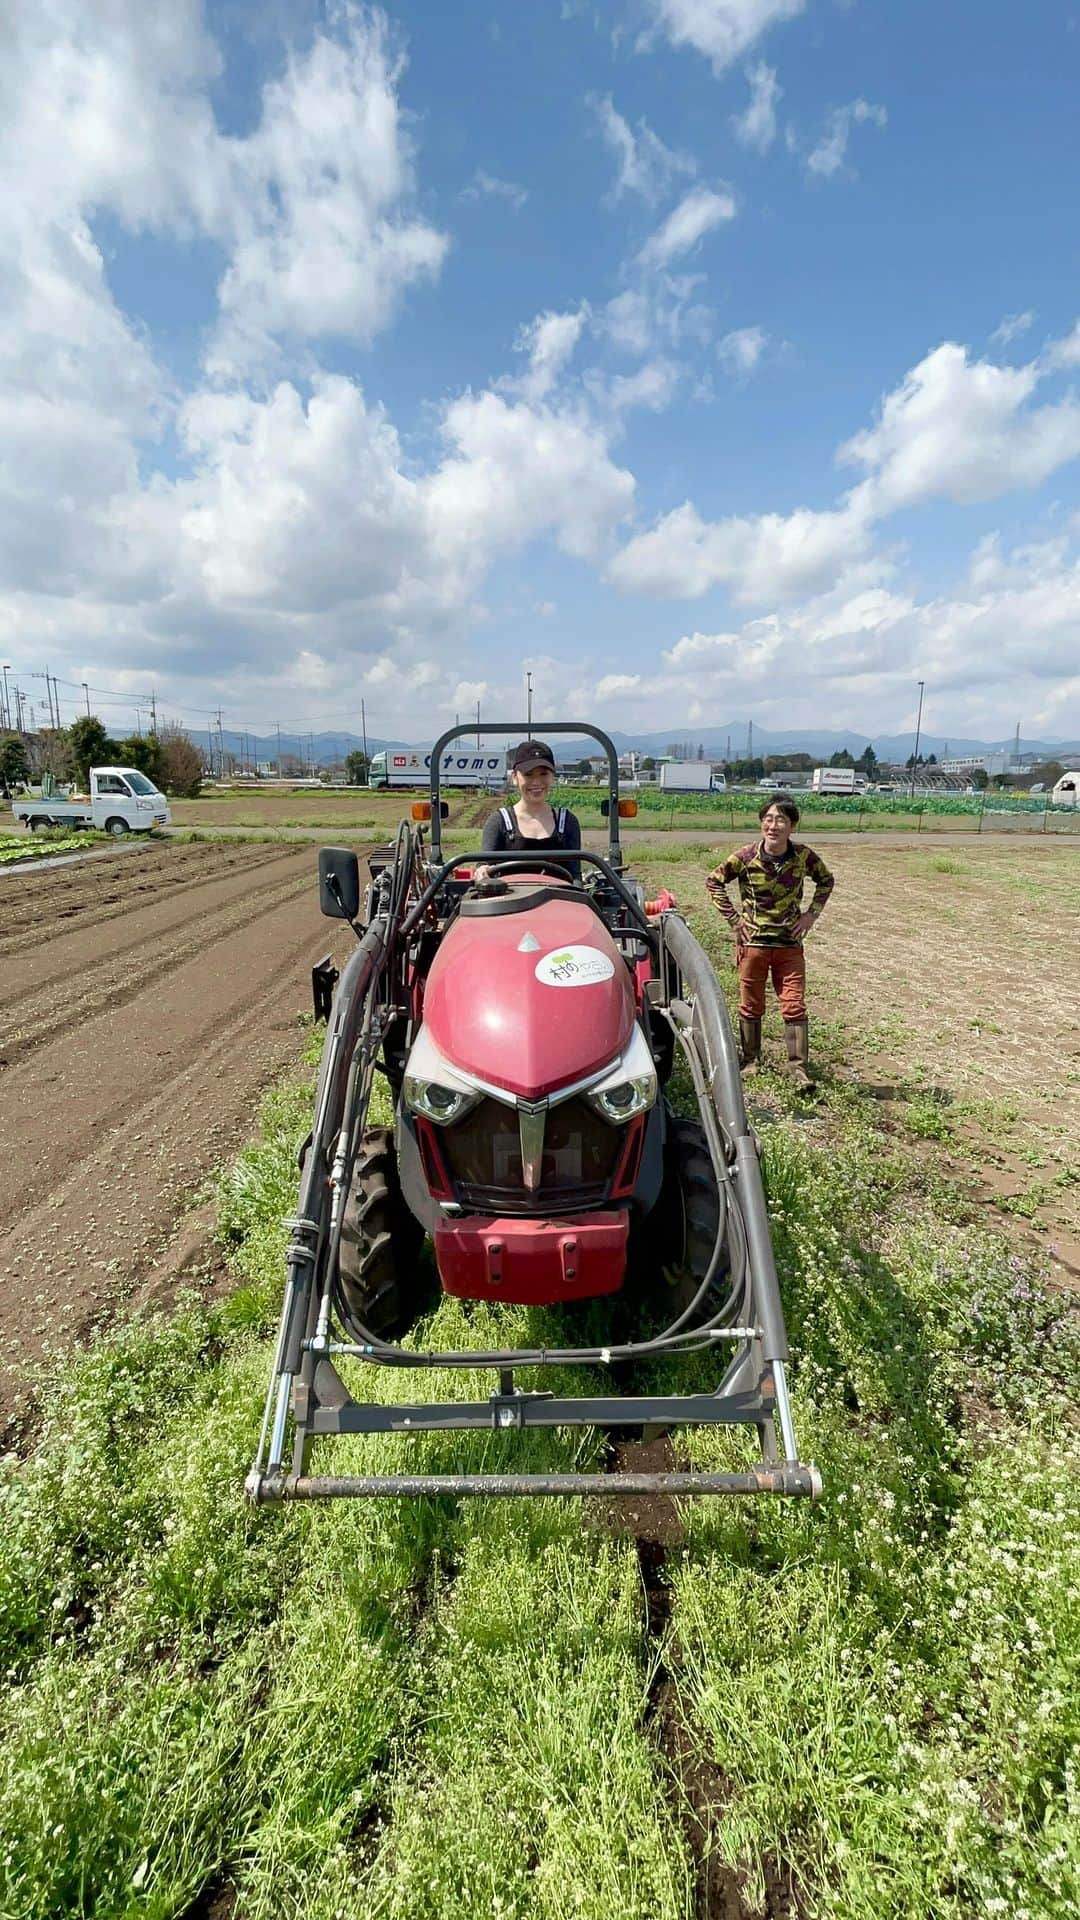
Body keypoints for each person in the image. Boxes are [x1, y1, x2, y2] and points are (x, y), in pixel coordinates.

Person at [705, 793, 834, 1089]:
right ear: (762, 823)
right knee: (751, 1005)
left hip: (789, 945)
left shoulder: (803, 857)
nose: (773, 825)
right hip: (754, 945)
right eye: (768, 819)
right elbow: (714, 881)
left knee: (794, 1006)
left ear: (792, 826)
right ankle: (751, 1061)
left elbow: (826, 880)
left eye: (781, 820)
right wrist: (735, 921)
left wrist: (811, 915)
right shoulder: (746, 856)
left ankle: (798, 1070)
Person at [476, 739, 582, 880]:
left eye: (543, 774)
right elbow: (484, 866)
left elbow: (575, 876)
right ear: (515, 777)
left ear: (552, 777)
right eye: (528, 774)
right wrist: (482, 870)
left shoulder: (567, 822)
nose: (536, 782)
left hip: (557, 897)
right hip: (510, 899)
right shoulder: (499, 822)